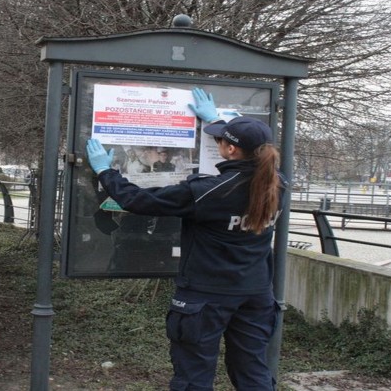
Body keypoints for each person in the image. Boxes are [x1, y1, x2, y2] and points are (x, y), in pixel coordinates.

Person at [85, 87, 286, 390]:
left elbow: (137, 200)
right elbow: (248, 155)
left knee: (193, 377)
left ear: (231, 150)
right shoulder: (278, 184)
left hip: (205, 296)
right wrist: (215, 122)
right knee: (253, 373)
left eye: (222, 139)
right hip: (255, 294)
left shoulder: (208, 192)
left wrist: (104, 170)